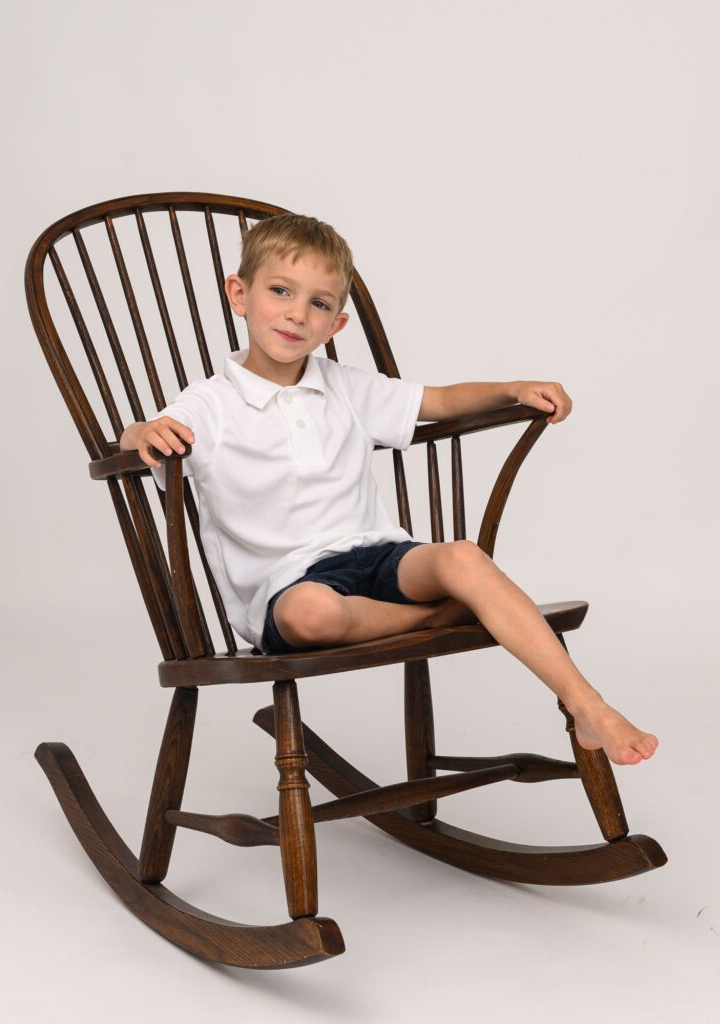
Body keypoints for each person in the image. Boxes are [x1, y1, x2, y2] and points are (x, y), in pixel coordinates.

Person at [119, 213, 658, 767]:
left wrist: (513, 389)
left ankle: (588, 706)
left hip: (378, 556)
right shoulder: (209, 404)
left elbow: (440, 402)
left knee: (463, 558)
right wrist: (143, 432)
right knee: (314, 614)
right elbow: (136, 439)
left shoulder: (346, 387)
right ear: (239, 293)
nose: (297, 314)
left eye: (319, 304)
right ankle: (436, 617)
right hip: (286, 589)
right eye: (280, 291)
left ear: (336, 325)